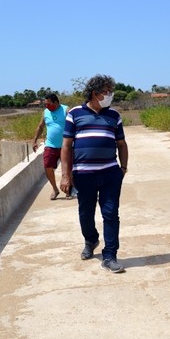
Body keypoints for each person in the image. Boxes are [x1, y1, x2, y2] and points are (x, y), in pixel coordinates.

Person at [59, 74, 128, 273]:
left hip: (110, 174)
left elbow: (122, 144)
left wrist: (123, 168)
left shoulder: (114, 115)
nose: (110, 95)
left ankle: (110, 256)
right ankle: (90, 240)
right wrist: (65, 175)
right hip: (83, 175)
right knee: (85, 213)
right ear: (94, 93)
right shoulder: (74, 114)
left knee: (111, 213)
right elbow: (66, 146)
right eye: (106, 91)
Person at [32, 93, 69, 200]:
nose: (47, 106)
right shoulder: (45, 112)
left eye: (49, 104)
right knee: (47, 166)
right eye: (45, 104)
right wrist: (34, 140)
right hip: (50, 145)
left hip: (65, 145)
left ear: (56, 102)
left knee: (66, 168)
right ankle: (55, 189)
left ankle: (68, 189)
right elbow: (40, 126)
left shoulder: (66, 110)